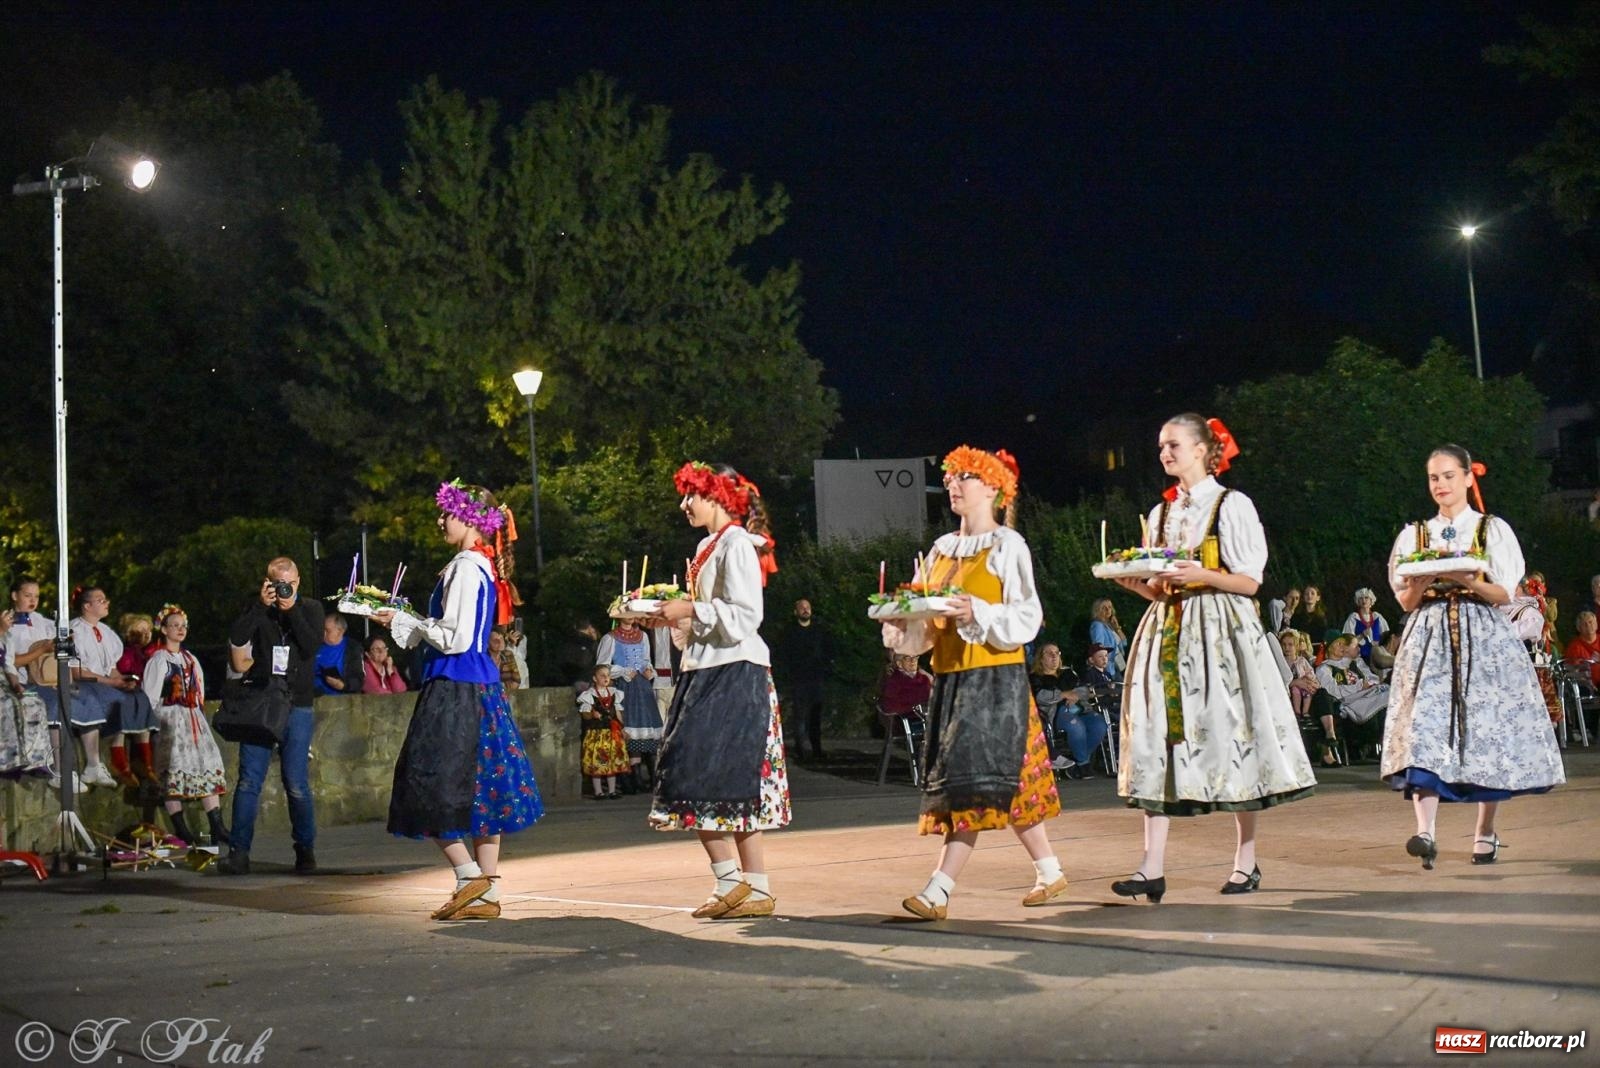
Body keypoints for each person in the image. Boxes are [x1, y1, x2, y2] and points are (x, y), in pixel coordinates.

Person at [1109, 414, 1316, 902]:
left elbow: (1249, 581)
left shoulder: (1231, 505)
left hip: (1222, 632)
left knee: (1237, 736)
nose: (1165, 453)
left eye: (1174, 445)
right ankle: (1151, 867)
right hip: (1169, 630)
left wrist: (1201, 574)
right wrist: (1136, 584)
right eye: (1161, 446)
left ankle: (1246, 860)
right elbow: (1161, 588)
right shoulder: (1159, 515)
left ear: (1204, 450)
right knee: (1159, 737)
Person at [885, 445, 1067, 920]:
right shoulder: (942, 550)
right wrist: (901, 625)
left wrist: (977, 611)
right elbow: (924, 627)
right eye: (949, 478)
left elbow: (1028, 616)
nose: (952, 484)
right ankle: (1049, 869)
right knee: (1012, 784)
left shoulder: (1009, 546)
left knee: (969, 783)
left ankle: (939, 889)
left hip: (996, 680)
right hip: (951, 681)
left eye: (963, 476)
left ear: (993, 488)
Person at [1381, 445, 1565, 869]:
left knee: (1485, 731)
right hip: (1429, 635)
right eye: (1433, 478)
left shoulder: (1491, 529)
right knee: (1424, 727)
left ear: (1467, 477)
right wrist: (1425, 576)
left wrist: (1469, 579)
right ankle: (1425, 831)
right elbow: (1407, 601)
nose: (1440, 485)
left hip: (1481, 631)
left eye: (1448, 476)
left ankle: (1485, 832)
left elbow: (1503, 593)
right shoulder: (1415, 535)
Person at [373, 480, 542, 921]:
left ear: (467, 518)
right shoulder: (479, 564)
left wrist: (409, 618)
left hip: (455, 689)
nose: (440, 521)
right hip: (477, 687)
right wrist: (402, 620)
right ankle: (484, 894)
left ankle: (471, 879)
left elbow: (455, 637)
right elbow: (451, 633)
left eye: (446, 514)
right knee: (483, 790)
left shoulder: (468, 566)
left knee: (427, 786)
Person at [649, 461, 790, 920]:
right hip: (704, 669)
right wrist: (676, 618)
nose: (684, 504)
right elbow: (704, 622)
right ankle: (733, 882)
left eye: (693, 495)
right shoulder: (707, 546)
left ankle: (755, 887)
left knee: (728, 779)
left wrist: (692, 608)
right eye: (685, 495)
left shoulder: (737, 546)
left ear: (718, 497)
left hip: (736, 672)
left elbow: (747, 615)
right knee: (686, 773)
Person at [221, 556, 325, 875]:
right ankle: (239, 852)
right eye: (278, 583)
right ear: (267, 581)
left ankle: (305, 850)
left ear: (298, 582)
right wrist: (258, 606)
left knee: (296, 782)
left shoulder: (311, 609)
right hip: (262, 702)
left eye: (289, 583)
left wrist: (290, 608)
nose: (284, 589)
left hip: (298, 703)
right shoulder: (257, 608)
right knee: (249, 780)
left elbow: (310, 646)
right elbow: (237, 639)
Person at [143, 605, 229, 847]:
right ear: (163, 629)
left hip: (192, 717)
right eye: (175, 626)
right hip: (170, 718)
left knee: (206, 765)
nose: (180, 630)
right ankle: (180, 827)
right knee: (172, 768)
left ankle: (217, 825)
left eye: (183, 626)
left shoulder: (190, 659)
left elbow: (199, 690)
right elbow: (149, 695)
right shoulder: (159, 660)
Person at [7, 578, 100, 793]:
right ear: (15, 596)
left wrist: (66, 643)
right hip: (23, 681)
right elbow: (9, 660)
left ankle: (94, 764)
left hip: (51, 679)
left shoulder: (43, 622)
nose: (33, 600)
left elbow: (60, 651)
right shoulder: (7, 624)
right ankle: (61, 771)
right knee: (55, 704)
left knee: (85, 698)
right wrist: (42, 650)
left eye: (36, 596)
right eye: (28, 595)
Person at [69, 586, 160, 788]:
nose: (106, 603)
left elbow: (110, 668)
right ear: (87, 606)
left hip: (104, 682)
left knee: (138, 696)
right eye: (100, 600)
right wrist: (112, 683)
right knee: (119, 699)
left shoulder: (106, 632)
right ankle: (117, 758)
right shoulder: (73, 630)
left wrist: (124, 679)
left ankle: (143, 760)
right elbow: (77, 671)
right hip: (86, 683)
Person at [596, 619, 661, 790]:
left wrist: (648, 670)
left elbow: (646, 660)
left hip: (643, 687)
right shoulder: (610, 638)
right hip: (624, 687)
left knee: (647, 730)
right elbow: (602, 666)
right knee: (628, 730)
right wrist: (622, 671)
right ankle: (631, 778)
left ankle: (652, 778)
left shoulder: (643, 636)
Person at [1314, 633, 1388, 760]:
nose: (1342, 646)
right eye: (1338, 643)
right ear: (1329, 647)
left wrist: (1369, 686)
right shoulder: (1324, 668)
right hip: (1349, 704)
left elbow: (1372, 679)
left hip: (1367, 697)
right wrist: (1358, 687)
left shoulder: (1355, 663)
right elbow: (1333, 691)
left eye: (1344, 644)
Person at [0, 608, 51, 780]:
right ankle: (8, 761)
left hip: (4, 682)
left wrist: (16, 684)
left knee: (33, 703)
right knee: (8, 704)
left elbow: (9, 664)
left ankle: (35, 760)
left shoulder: (7, 637)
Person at [776, 598, 831, 760]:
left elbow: (828, 650)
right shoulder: (790, 633)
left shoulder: (819, 631)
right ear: (796, 612)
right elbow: (784, 654)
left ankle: (816, 748)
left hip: (816, 678)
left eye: (808, 607)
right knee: (800, 715)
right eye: (802, 608)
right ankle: (800, 748)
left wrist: (825, 667)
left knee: (816, 715)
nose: (805, 610)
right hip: (799, 679)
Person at [577, 664, 631, 799]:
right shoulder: (589, 695)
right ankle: (598, 791)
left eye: (608, 675)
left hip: (612, 733)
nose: (606, 678)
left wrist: (623, 728)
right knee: (598, 763)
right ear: (595, 678)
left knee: (611, 762)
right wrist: (591, 714)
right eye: (602, 675)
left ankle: (612, 790)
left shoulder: (614, 694)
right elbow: (585, 714)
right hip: (597, 734)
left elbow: (618, 713)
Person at [1028, 643, 1080, 773]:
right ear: (1041, 658)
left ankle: (1081, 761)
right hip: (1053, 713)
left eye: (1057, 653)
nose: (1054, 656)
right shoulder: (1036, 678)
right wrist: (1063, 695)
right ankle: (1072, 761)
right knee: (1076, 726)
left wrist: (1076, 695)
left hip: (1079, 708)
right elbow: (1040, 697)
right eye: (1049, 653)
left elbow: (1084, 688)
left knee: (1098, 725)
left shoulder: (1068, 674)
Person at [1281, 630, 1332, 762]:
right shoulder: (1278, 662)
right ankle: (1322, 753)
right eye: (1284, 644)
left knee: (1322, 694)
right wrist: (1294, 683)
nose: (1287, 648)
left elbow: (1312, 676)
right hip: (1288, 697)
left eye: (1290, 644)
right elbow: (1275, 682)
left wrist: (1311, 683)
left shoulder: (1302, 661)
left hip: (1307, 694)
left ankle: (1330, 734)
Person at [312, 613, 365, 696]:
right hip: (314, 698)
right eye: (323, 630)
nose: (323, 634)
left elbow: (358, 679)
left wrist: (344, 686)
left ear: (340, 631)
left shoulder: (352, 648)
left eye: (328, 630)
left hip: (343, 699)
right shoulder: (314, 646)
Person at [1342, 588, 1389, 664]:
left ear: (1371, 600)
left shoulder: (1377, 617)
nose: (1364, 600)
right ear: (1358, 601)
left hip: (1378, 657)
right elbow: (1347, 641)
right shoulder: (1353, 618)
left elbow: (1387, 637)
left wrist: (1379, 642)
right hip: (1359, 658)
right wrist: (1362, 635)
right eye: (1361, 598)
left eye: (1366, 598)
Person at [1087, 598, 1128, 679]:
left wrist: (1117, 627)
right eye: (1104, 608)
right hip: (1108, 668)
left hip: (1118, 665)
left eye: (1109, 607)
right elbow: (1098, 648)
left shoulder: (1109, 625)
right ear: (1097, 610)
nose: (1108, 610)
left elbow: (1124, 643)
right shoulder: (1097, 626)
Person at [1564, 610, 1600, 687]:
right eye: (1584, 624)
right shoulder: (1574, 647)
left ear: (1596, 625)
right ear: (1579, 628)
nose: (1588, 626)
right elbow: (1573, 672)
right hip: (1588, 689)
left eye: (1590, 622)